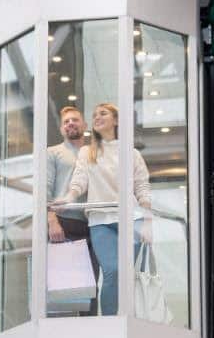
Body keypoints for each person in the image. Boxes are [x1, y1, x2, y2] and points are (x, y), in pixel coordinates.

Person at [57, 103, 152, 316]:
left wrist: (147, 222)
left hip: (131, 219)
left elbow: (142, 187)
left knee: (129, 275)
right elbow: (79, 181)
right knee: (113, 271)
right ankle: (111, 322)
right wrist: (68, 198)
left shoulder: (131, 153)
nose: (97, 117)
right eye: (94, 115)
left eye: (103, 113)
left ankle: (129, 319)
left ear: (116, 120)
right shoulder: (87, 152)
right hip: (100, 221)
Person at [47, 106, 99, 315]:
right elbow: (46, 189)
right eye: (66, 121)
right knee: (64, 284)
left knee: (91, 283)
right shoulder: (53, 153)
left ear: (84, 126)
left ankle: (90, 330)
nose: (70, 124)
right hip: (64, 223)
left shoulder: (94, 153)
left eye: (75, 120)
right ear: (61, 129)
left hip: (93, 223)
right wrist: (52, 220)